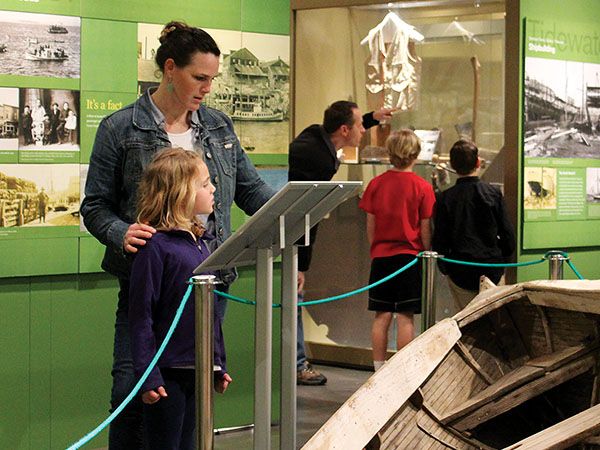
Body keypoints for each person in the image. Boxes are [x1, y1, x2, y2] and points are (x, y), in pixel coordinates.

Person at [80, 21, 275, 449]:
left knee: (188, 404)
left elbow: (250, 189)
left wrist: (290, 212)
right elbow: (94, 206)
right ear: (170, 69)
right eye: (199, 78)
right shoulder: (120, 128)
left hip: (210, 285)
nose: (207, 88)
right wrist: (120, 232)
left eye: (212, 79)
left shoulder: (219, 127)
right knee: (133, 393)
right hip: (148, 285)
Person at [129, 148, 230, 449]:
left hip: (199, 369)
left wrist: (218, 363)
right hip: (167, 374)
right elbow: (141, 317)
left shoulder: (202, 244)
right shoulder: (154, 248)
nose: (212, 189)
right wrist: (148, 376)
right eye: (204, 183)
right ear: (180, 193)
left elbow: (210, 313)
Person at [288, 100, 395, 385]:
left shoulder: (315, 137)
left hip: (297, 237)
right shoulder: (319, 159)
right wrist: (301, 263)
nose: (364, 130)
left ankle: (296, 363)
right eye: (360, 125)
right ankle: (297, 365)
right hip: (295, 240)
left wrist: (372, 117)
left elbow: (349, 129)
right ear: (345, 129)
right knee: (293, 300)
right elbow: (306, 214)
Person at [358, 129, 435, 371]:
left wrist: (376, 248)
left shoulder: (376, 184)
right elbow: (425, 227)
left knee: (381, 316)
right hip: (409, 258)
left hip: (381, 257)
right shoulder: (422, 187)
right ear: (415, 154)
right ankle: (403, 371)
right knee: (405, 317)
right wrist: (425, 250)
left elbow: (370, 224)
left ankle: (378, 368)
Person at [432, 139, 515, 309]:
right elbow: (507, 233)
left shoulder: (445, 198)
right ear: (478, 162)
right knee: (494, 318)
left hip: (460, 270)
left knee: (465, 321)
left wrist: (446, 267)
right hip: (492, 267)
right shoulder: (493, 193)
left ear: (453, 166)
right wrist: (503, 259)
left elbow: (440, 238)